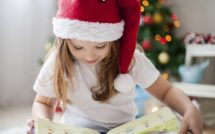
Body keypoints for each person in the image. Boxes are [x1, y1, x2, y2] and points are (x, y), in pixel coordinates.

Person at [27, 0, 203, 134]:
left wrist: (189, 109)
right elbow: (42, 102)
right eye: (78, 47)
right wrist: (42, 124)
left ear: (114, 40)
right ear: (65, 42)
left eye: (100, 47)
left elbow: (166, 92)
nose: (89, 56)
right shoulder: (60, 59)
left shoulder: (131, 59)